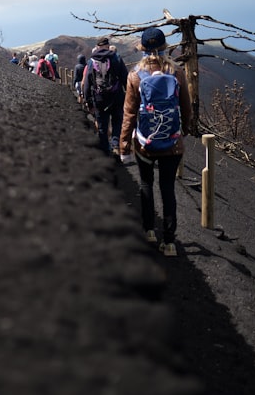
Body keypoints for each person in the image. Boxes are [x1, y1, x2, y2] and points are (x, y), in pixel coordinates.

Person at [118, 27, 193, 257]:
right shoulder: (177, 72)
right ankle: (169, 242)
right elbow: (186, 108)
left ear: (143, 49)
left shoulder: (135, 75)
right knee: (168, 188)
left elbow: (129, 114)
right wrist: (185, 130)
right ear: (163, 48)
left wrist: (123, 145)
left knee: (146, 184)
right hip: (172, 142)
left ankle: (149, 230)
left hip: (144, 143)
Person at [81, 36, 127, 154]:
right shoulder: (116, 58)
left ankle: (106, 151)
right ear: (107, 46)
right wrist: (128, 97)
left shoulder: (91, 61)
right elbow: (125, 78)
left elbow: (87, 83)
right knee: (117, 122)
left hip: (99, 99)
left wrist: (88, 102)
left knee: (102, 126)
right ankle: (116, 145)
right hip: (117, 97)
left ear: (97, 47)